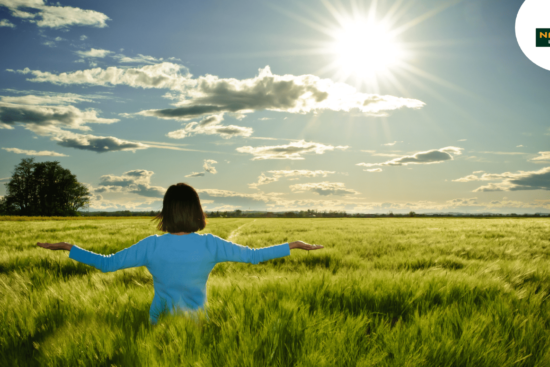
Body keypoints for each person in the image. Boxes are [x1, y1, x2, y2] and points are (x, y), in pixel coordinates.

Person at [36, 182, 324, 325]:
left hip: (158, 322)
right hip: (198, 323)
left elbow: (107, 264)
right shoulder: (210, 244)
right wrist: (293, 245)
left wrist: (69, 248)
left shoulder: (152, 245)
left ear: (166, 211)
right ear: (196, 210)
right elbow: (252, 256)